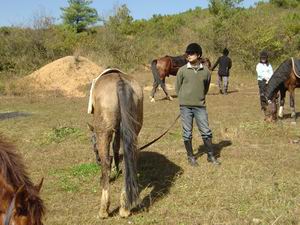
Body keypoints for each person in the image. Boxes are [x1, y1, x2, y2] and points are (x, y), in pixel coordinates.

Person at [175, 43, 220, 167]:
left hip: (200, 106)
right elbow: (177, 88)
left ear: (198, 55)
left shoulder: (206, 72)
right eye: (187, 53)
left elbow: (205, 88)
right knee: (187, 133)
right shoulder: (182, 70)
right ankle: (191, 157)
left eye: (191, 53)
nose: (188, 55)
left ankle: (211, 156)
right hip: (185, 107)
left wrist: (198, 99)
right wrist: (184, 100)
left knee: (206, 131)